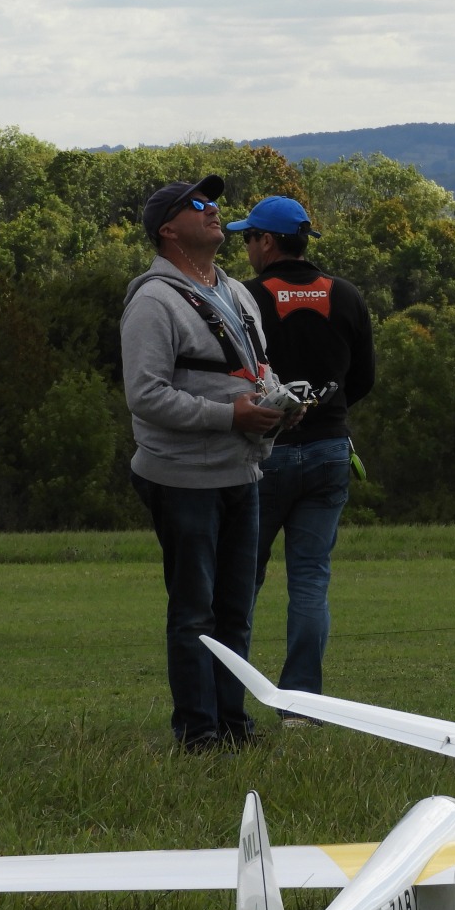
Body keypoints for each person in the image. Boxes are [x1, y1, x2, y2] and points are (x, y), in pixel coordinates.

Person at [121, 175, 294, 752]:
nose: (213, 209)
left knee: (236, 611)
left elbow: (258, 369)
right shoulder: (153, 301)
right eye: (199, 203)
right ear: (168, 229)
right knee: (195, 612)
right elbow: (145, 395)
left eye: (214, 201)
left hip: (242, 470)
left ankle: (234, 727)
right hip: (183, 478)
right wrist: (229, 416)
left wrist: (278, 405)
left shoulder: (237, 292)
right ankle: (198, 734)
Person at [226, 196, 375, 721]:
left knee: (242, 578)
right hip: (331, 450)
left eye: (248, 237)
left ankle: (226, 701)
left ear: (267, 241)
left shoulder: (244, 297)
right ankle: (301, 708)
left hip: (265, 454)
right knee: (310, 579)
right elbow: (363, 379)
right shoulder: (346, 294)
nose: (246, 246)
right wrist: (325, 412)